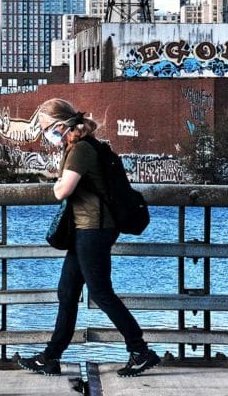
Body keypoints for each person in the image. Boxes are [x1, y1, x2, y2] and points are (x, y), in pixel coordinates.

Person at [17, 98, 160, 378]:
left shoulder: (81, 149)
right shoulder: (79, 146)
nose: (46, 134)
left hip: (93, 230)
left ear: (62, 124)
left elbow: (62, 191)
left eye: (47, 128)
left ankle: (140, 350)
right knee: (67, 292)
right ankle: (51, 357)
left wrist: (57, 183)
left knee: (101, 293)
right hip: (85, 230)